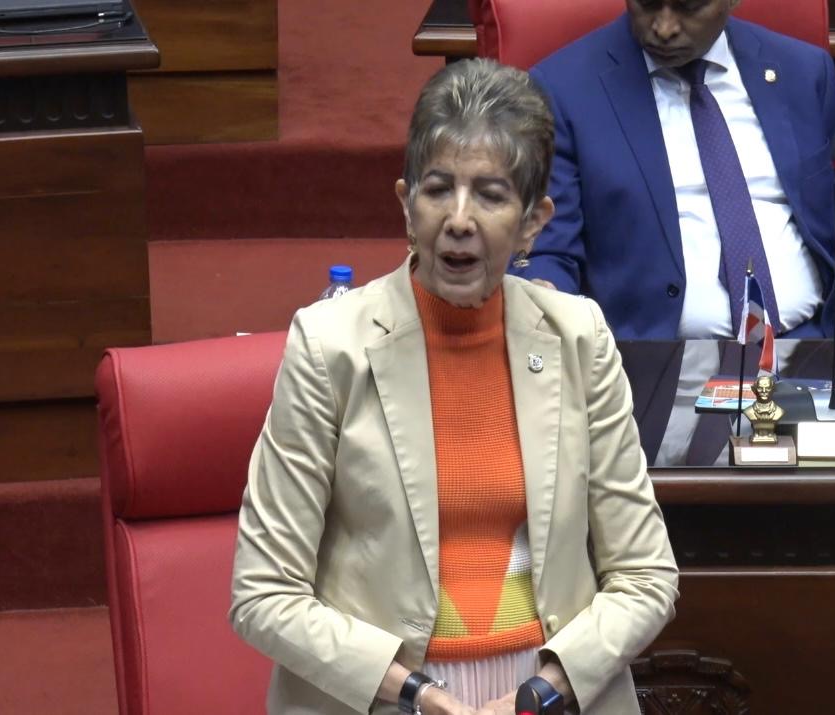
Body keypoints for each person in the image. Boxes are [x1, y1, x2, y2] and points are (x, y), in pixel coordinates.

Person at [230, 58, 679, 715]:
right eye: (438, 189)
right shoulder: (330, 346)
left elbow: (646, 575)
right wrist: (415, 693)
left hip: (551, 695)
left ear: (533, 222)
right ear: (406, 204)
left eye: (491, 195)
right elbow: (262, 593)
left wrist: (539, 692)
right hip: (381, 697)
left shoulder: (578, 338)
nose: (459, 218)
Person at [512, 0, 835, 342]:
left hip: (812, 348)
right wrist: (544, 299)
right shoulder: (564, 90)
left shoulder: (804, 72)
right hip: (648, 364)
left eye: (689, 6)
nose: (664, 27)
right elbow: (549, 250)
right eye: (647, 3)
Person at [743, 374, 784, 443]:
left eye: (767, 388)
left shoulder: (779, 411)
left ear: (773, 389)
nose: (764, 391)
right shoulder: (748, 411)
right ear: (754, 390)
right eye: (760, 388)